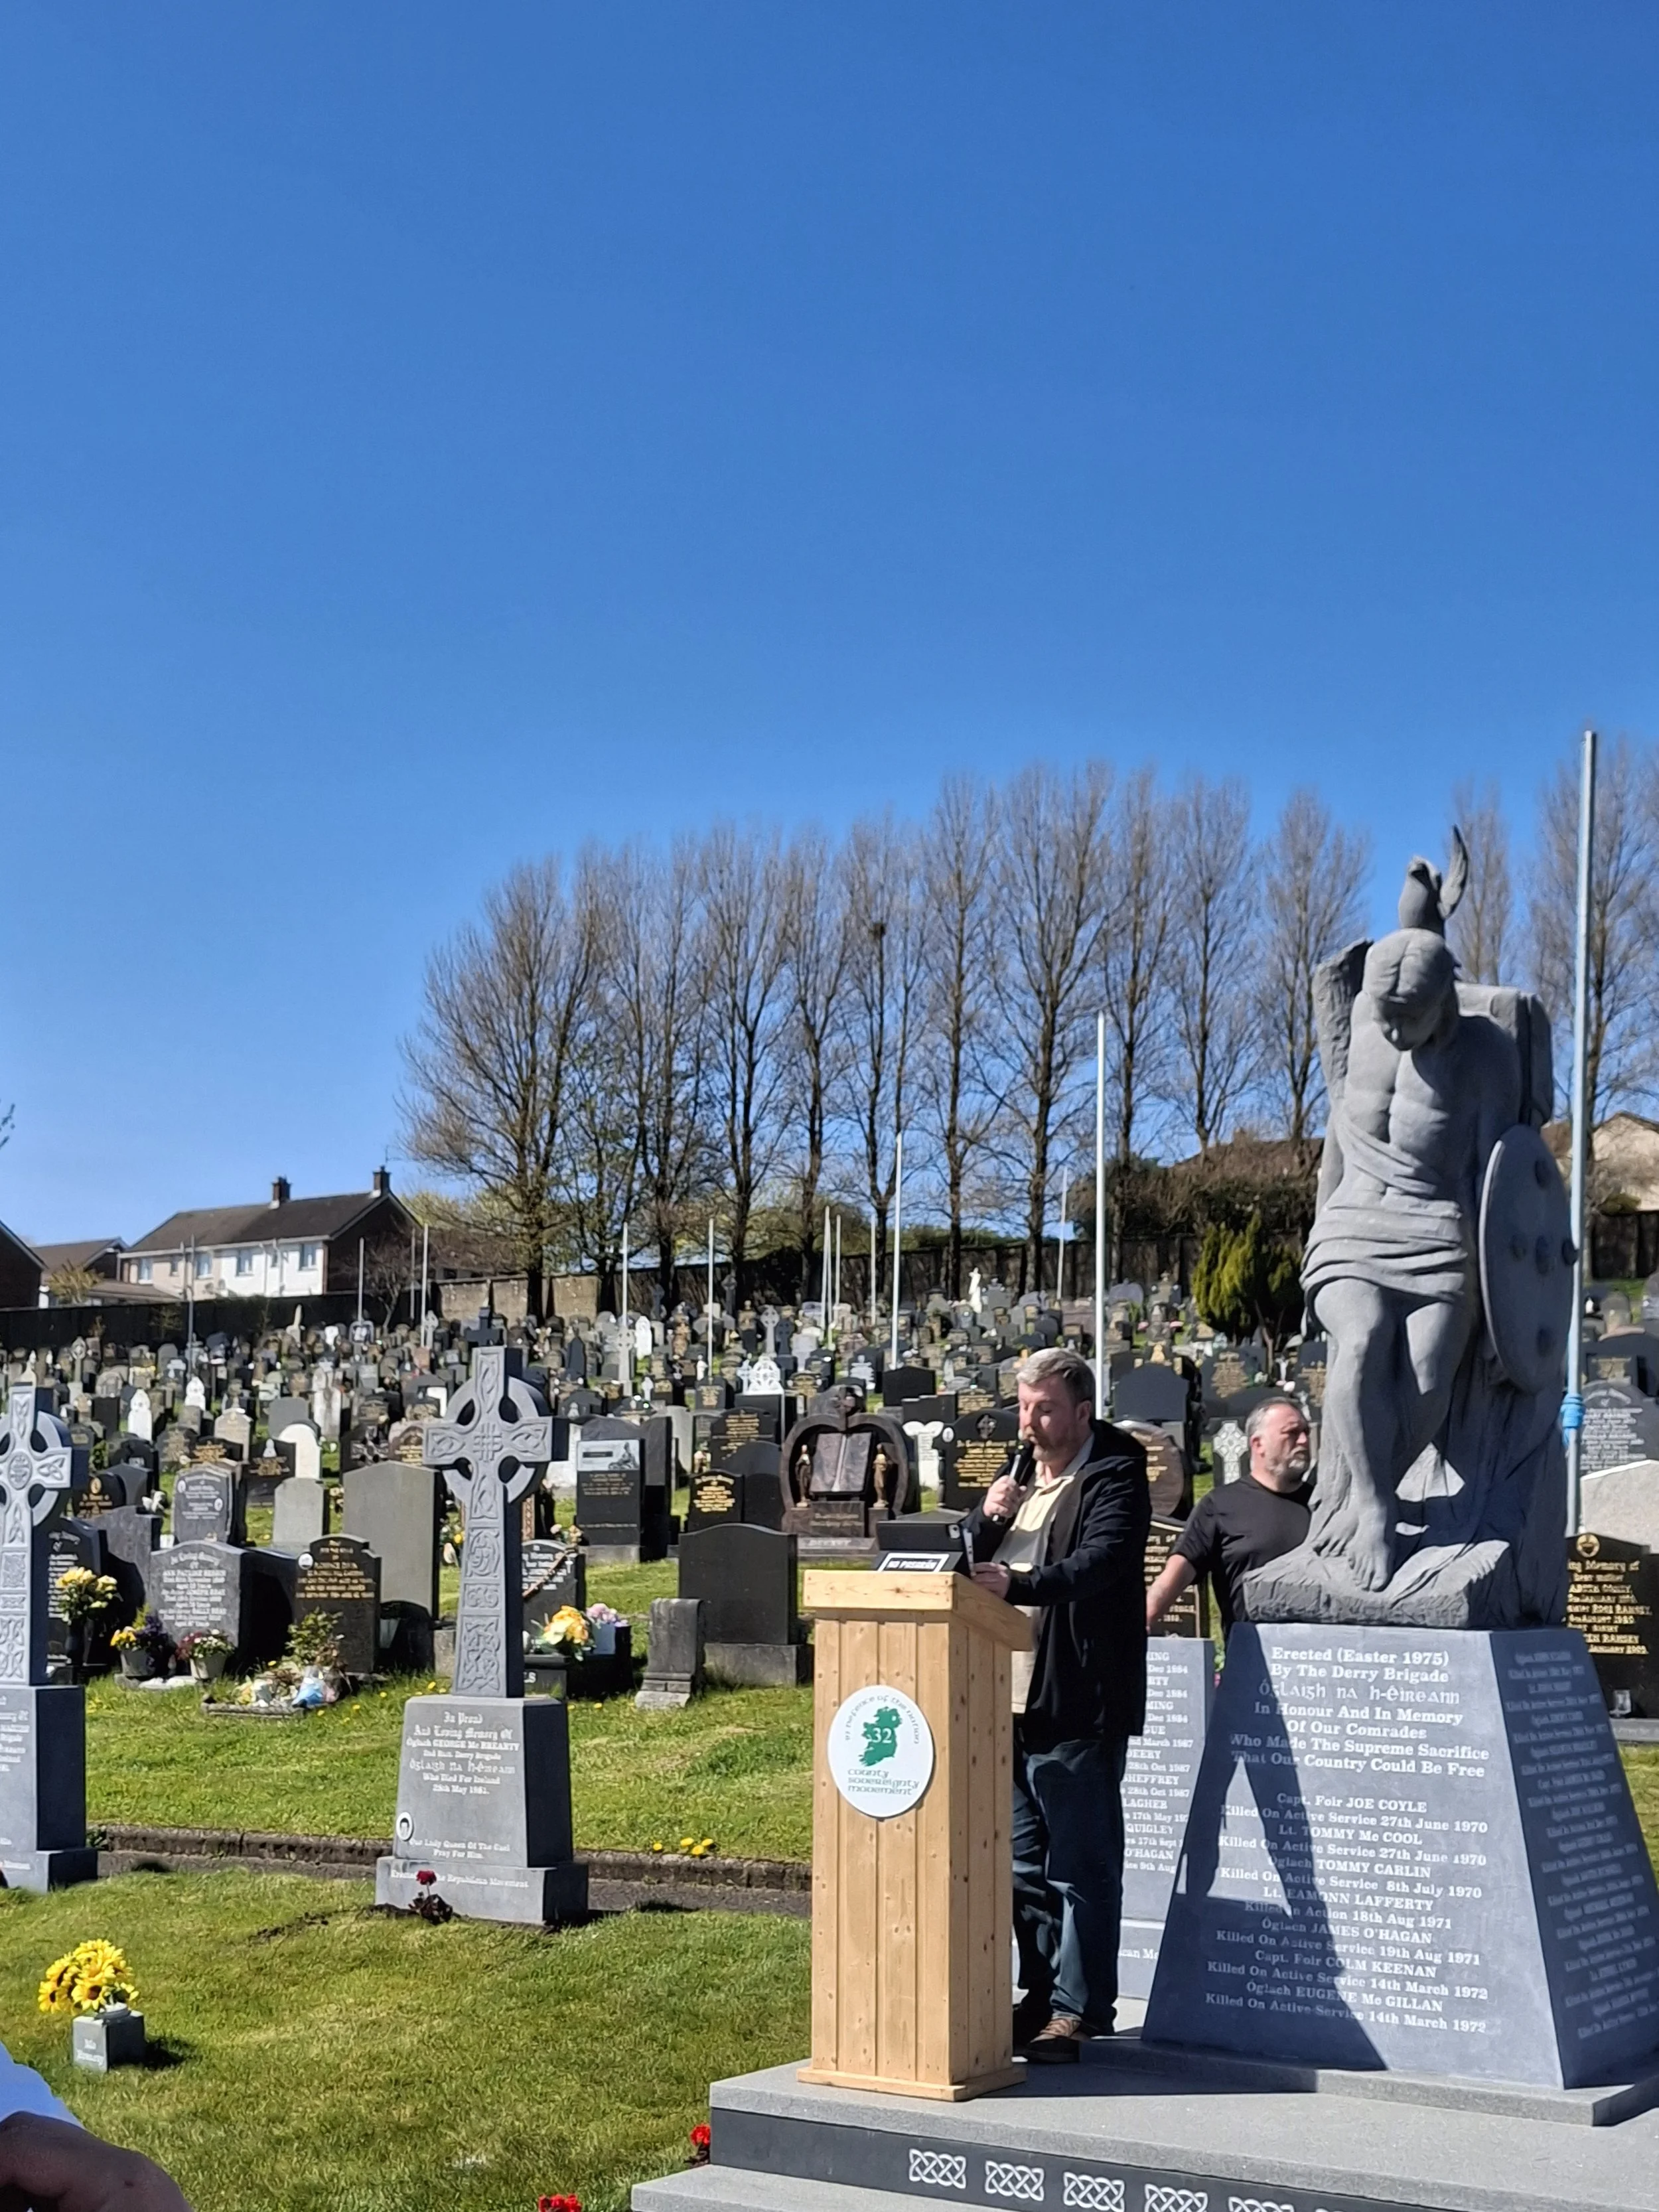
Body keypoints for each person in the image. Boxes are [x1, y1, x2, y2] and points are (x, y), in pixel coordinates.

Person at [962, 1346, 1149, 2063]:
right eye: (1022, 1407)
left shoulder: (1114, 1477)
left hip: (1077, 1700)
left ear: (1080, 1410)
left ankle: (1078, 2008)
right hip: (1000, 1702)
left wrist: (1019, 1582)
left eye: (1043, 1409)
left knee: (1081, 1866)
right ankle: (1037, 1997)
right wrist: (986, 1516)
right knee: (1024, 1869)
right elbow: (965, 1564)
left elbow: (1099, 1567)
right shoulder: (1014, 1479)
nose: (1029, 1422)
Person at [1146, 1395, 1313, 1633]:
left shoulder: (1323, 1505)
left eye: (1306, 1432)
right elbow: (1178, 1572)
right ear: (1258, 1444)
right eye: (1292, 1433)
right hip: (1252, 1657)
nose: (1304, 1441)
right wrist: (1143, 1621)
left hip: (1319, 1656)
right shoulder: (1220, 1506)